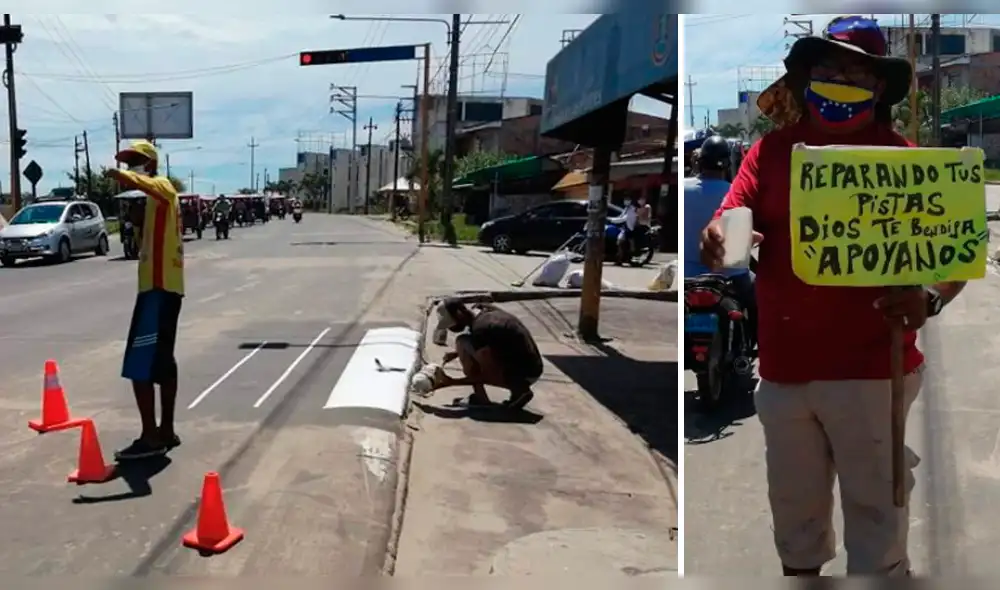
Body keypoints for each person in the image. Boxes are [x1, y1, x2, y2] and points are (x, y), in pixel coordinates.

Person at [699, 16, 966, 577]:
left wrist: (930, 298)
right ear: (807, 76)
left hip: (874, 374)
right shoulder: (770, 152)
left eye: (855, 71)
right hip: (784, 375)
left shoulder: (905, 159)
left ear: (878, 86)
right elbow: (730, 218)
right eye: (829, 68)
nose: (840, 80)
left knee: (877, 533)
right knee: (794, 527)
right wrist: (720, 237)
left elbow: (954, 254)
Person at [104, 140, 185, 460]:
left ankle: (150, 437)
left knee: (139, 364)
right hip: (164, 289)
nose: (129, 167)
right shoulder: (150, 204)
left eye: (134, 162)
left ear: (149, 165)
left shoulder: (163, 186)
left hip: (158, 289)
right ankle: (166, 431)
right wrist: (136, 219)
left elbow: (151, 185)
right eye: (126, 163)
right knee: (164, 361)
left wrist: (121, 176)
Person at [685, 135, 756, 343]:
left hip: (688, 276)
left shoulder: (683, 189)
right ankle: (754, 344)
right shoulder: (737, 193)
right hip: (730, 276)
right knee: (756, 302)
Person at [430, 299, 543, 410]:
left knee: (462, 342)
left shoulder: (481, 329)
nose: (451, 328)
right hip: (534, 368)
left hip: (524, 376)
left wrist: (451, 382)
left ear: (459, 314)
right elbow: (500, 342)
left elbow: (488, 374)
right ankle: (517, 390)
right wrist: (456, 354)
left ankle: (517, 389)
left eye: (451, 324)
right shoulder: (484, 309)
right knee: (465, 344)